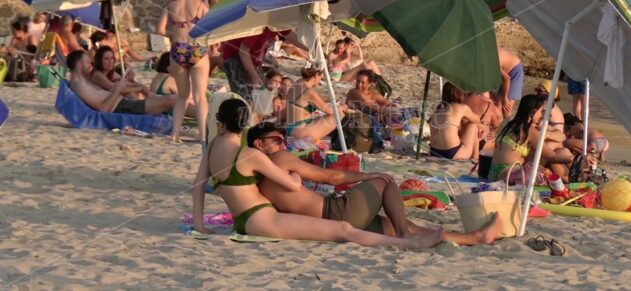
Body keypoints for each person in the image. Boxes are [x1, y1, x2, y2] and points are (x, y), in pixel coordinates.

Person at [193, 121, 500, 245]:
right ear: (259, 144)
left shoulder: (256, 175)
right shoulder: (280, 160)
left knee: (396, 225)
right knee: (386, 181)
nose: (281, 141)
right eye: (275, 138)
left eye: (281, 137)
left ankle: (473, 237)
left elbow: (221, 184)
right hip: (336, 211)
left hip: (331, 212)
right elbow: (332, 177)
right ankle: (408, 231)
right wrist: (369, 177)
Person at [191, 99, 442, 248]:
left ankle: (409, 239)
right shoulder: (250, 155)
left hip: (243, 221)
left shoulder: (213, 147)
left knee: (344, 228)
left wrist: (200, 225)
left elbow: (197, 185)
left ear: (219, 120)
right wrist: (297, 176)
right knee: (343, 230)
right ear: (244, 123)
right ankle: (408, 243)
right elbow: (290, 185)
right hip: (261, 219)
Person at [157, 0, 210, 142]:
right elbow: (210, 26)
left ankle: (175, 135)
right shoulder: (200, 3)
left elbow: (159, 29)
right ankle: (203, 137)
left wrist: (173, 35)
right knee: (200, 97)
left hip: (177, 51)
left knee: (182, 96)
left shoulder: (172, 3)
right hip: (196, 49)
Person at [488, 94, 571, 183]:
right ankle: (569, 179)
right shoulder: (529, 130)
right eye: (541, 112)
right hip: (511, 175)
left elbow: (562, 136)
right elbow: (552, 157)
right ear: (533, 112)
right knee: (545, 153)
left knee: (545, 150)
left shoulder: (507, 122)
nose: (542, 116)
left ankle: (568, 177)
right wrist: (571, 158)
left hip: (494, 173)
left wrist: (546, 135)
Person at [66, 50, 175, 115]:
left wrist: (124, 86)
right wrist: (118, 89)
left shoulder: (82, 81)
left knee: (172, 99)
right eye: (87, 63)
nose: (91, 65)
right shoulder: (79, 85)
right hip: (124, 108)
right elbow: (103, 109)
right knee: (172, 99)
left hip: (125, 105)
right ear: (79, 65)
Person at [284, 64, 346, 141]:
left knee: (320, 115)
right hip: (299, 131)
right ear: (316, 75)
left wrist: (331, 99)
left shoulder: (297, 83)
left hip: (289, 127)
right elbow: (330, 111)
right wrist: (343, 107)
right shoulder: (309, 92)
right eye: (321, 77)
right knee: (339, 115)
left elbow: (316, 99)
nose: (320, 80)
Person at [428, 83, 481, 160]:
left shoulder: (439, 108)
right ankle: (476, 158)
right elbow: (477, 119)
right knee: (473, 125)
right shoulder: (461, 108)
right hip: (452, 153)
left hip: (434, 152)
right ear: (460, 93)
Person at [149, 52, 196, 117]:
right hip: (169, 110)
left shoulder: (159, 76)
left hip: (160, 106)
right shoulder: (170, 79)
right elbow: (187, 96)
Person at [497, 48, 524, 118]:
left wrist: (504, 97)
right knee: (497, 106)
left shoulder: (492, 61)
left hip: (513, 71)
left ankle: (505, 124)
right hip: (502, 70)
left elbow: (506, 79)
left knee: (506, 110)